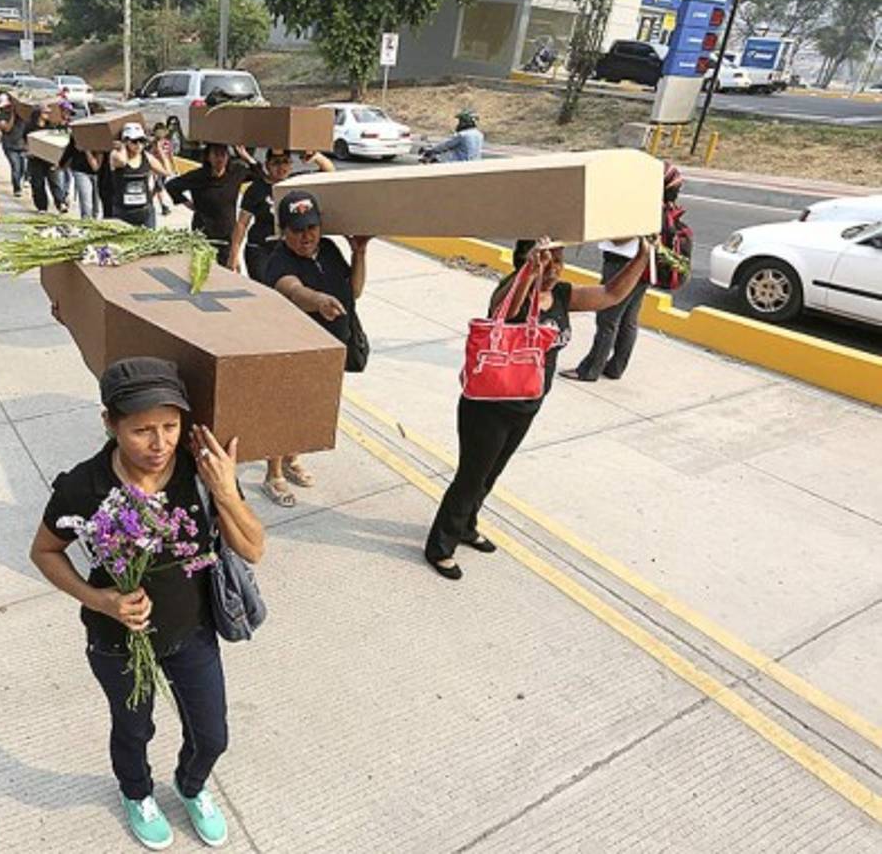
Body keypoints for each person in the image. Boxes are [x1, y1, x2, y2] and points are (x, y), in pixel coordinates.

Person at [30, 357, 264, 851]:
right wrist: (101, 599)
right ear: (109, 424)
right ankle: (137, 792)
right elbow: (45, 552)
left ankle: (190, 785)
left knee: (212, 734)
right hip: (118, 641)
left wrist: (225, 490)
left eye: (170, 427)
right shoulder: (84, 486)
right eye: (141, 431)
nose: (160, 445)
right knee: (134, 728)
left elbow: (253, 549)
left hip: (191, 632)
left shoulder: (199, 474)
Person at [424, 236, 651, 580]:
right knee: (471, 476)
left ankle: (466, 526)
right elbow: (507, 306)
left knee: (491, 473)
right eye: (548, 260)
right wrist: (531, 270)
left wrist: (642, 257)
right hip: (488, 407)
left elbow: (611, 295)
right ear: (525, 260)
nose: (554, 268)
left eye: (558, 259)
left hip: (528, 403)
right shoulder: (510, 291)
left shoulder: (562, 294)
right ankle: (440, 547)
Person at [260, 190, 369, 507]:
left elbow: (355, 292)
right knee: (285, 410)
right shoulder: (278, 262)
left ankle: (292, 459)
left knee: (308, 410)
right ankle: (273, 473)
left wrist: (359, 254)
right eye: (297, 230)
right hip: (296, 350)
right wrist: (318, 301)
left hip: (332, 348)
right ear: (284, 231)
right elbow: (293, 290)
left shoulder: (330, 250)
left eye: (311, 227)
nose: (306, 236)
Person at [560, 164, 683, 384]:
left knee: (608, 319)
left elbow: (620, 238)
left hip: (622, 265)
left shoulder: (643, 207)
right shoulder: (665, 208)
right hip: (644, 266)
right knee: (628, 321)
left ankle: (589, 370)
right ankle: (616, 367)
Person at [230, 148, 334, 280]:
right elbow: (242, 223)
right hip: (261, 249)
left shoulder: (297, 182)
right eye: (276, 163)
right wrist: (234, 254)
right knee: (267, 290)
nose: (281, 167)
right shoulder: (256, 189)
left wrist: (315, 156)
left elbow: (329, 172)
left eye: (285, 162)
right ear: (267, 165)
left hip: (288, 250)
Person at [165, 143, 256, 268]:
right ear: (208, 157)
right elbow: (172, 186)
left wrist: (246, 156)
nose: (220, 159)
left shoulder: (235, 174)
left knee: (225, 273)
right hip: (202, 234)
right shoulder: (198, 176)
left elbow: (260, 175)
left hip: (227, 234)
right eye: (216, 154)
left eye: (223, 154)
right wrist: (188, 204)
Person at [105, 123, 169, 228]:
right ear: (126, 141)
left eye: (142, 141)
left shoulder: (146, 157)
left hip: (145, 211)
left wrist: (160, 150)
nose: (139, 145)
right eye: (134, 141)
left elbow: (166, 171)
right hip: (123, 212)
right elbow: (122, 162)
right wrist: (122, 147)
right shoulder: (115, 154)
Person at [23, 105, 70, 214]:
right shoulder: (30, 127)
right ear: (39, 113)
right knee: (37, 183)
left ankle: (61, 203)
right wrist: (28, 150)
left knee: (55, 182)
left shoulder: (51, 127)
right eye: (45, 113)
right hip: (35, 159)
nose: (47, 115)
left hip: (50, 159)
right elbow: (25, 142)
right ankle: (42, 206)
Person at [59, 134, 102, 219]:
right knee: (86, 201)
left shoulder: (100, 131)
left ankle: (94, 222)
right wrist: (61, 164)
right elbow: (70, 149)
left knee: (96, 203)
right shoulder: (77, 132)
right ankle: (86, 221)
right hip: (81, 170)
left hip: (99, 172)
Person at [0, 94, 27, 197]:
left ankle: (20, 181)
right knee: (15, 167)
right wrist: (12, 115)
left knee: (23, 168)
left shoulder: (21, 115)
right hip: (9, 146)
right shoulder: (1, 115)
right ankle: (17, 189)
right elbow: (7, 128)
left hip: (22, 145)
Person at [151, 122, 176, 218]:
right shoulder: (154, 143)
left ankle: (148, 201)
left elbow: (171, 155)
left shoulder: (167, 143)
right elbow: (151, 155)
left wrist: (174, 167)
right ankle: (163, 207)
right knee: (159, 186)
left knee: (157, 188)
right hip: (157, 168)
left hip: (166, 168)